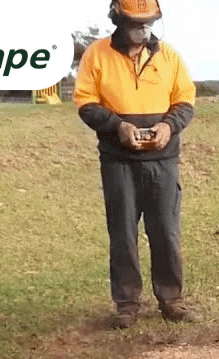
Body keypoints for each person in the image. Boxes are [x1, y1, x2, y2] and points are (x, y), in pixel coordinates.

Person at [74, 0, 198, 328]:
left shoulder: (168, 56)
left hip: (163, 160)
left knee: (166, 231)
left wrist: (169, 126)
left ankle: (171, 299)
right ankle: (127, 304)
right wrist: (118, 126)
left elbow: (185, 98)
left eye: (149, 23)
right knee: (123, 233)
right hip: (119, 161)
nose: (143, 29)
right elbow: (85, 102)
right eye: (135, 23)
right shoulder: (96, 55)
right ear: (117, 18)